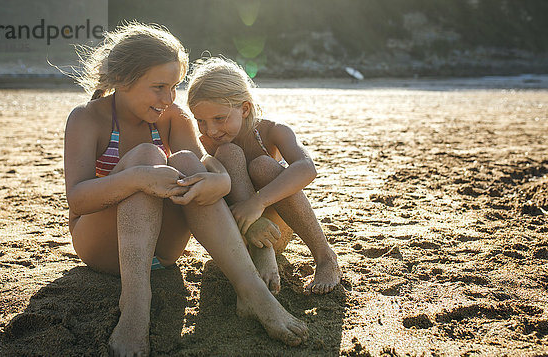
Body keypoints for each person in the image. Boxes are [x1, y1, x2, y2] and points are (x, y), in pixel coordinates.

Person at [64, 22, 308, 356]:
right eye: (159, 87)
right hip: (103, 248)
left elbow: (206, 165)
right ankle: (135, 304)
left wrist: (219, 181)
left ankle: (250, 290)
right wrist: (137, 178)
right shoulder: (86, 119)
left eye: (174, 86)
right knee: (148, 157)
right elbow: (77, 199)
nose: (169, 98)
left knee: (185, 162)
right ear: (122, 80)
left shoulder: (172, 116)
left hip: (162, 250)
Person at [185, 57, 341, 296]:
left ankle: (325, 256)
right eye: (201, 121)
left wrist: (257, 203)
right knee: (227, 153)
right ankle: (259, 255)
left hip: (275, 230)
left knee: (262, 166)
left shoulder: (273, 131)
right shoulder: (207, 141)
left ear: (244, 108)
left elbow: (307, 167)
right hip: (236, 238)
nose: (211, 130)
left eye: (219, 118)